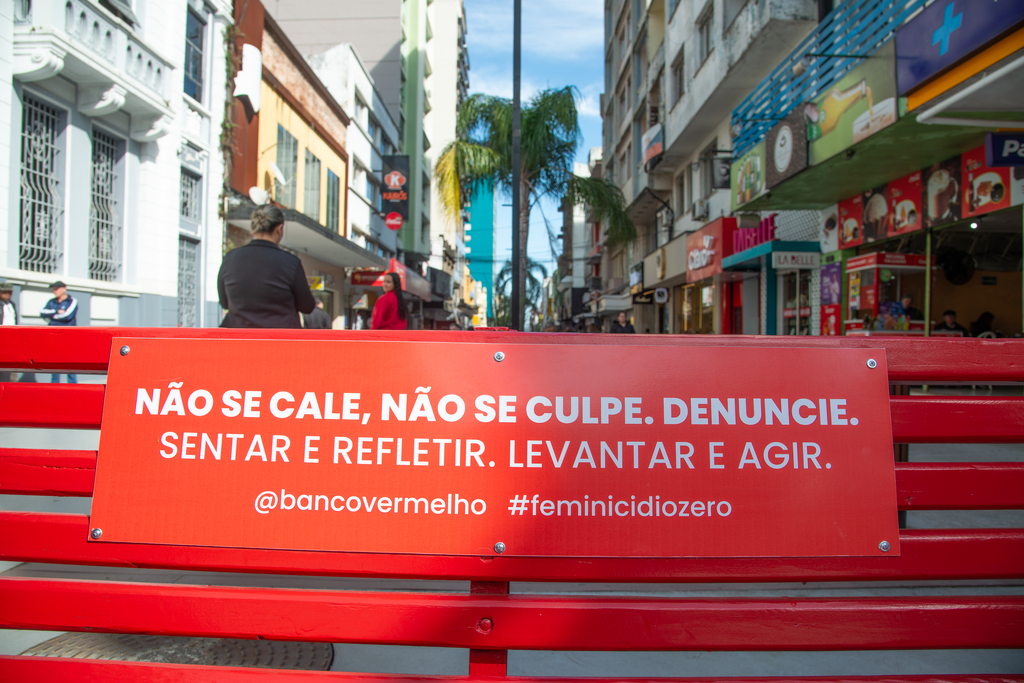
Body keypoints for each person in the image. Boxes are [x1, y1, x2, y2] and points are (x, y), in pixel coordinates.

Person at [217, 205, 316, 328]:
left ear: (253, 228)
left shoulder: (230, 259)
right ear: (279, 229)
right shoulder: (291, 263)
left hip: (239, 336)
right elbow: (307, 306)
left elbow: (224, 302)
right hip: (280, 336)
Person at [40, 281, 77, 384]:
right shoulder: (51, 302)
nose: (54, 291)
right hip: (54, 336)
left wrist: (52, 317)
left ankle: (73, 387)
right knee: (54, 362)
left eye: (56, 289)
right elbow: (42, 313)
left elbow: (67, 316)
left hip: (68, 336)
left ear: (64, 288)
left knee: (70, 362)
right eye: (53, 289)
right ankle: (54, 386)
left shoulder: (72, 301)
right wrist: (56, 312)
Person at [1, 283, 17, 382]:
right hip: (2, 337)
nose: (7, 294)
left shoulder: (12, 304)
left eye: (9, 292)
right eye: (4, 292)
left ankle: (11, 384)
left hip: (12, 338)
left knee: (12, 362)